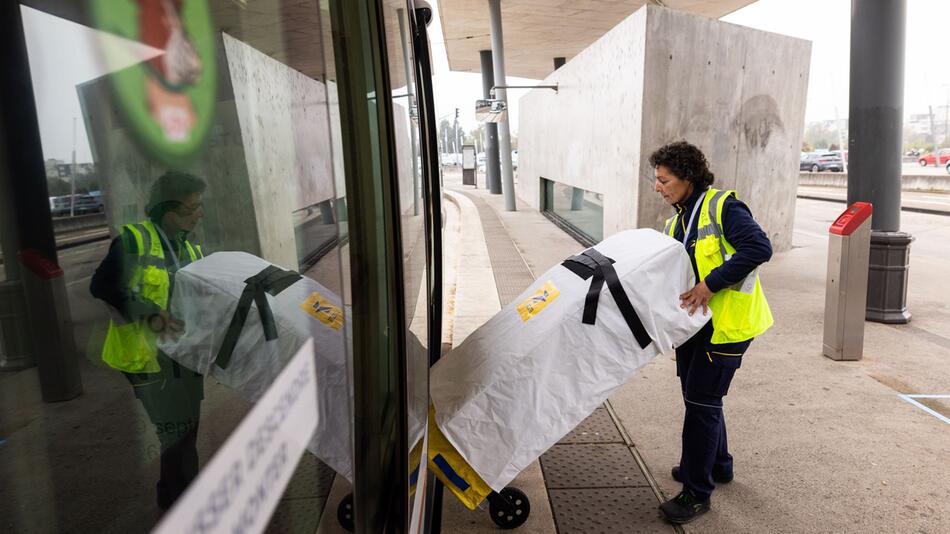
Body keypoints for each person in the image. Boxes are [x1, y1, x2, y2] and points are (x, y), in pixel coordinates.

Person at [651, 141, 774, 524]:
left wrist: (709, 285)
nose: (658, 187)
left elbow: (758, 247)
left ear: (687, 178)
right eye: (656, 180)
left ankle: (695, 491)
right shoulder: (677, 220)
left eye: (664, 180)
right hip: (695, 327)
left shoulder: (723, 206)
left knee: (701, 405)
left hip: (726, 327)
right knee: (700, 399)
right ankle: (718, 465)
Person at [90, 171, 207, 510]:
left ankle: (170, 497)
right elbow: (102, 285)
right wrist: (151, 314)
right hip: (147, 358)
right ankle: (186, 507)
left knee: (184, 432)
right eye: (191, 207)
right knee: (178, 433)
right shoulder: (133, 241)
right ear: (166, 209)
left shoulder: (189, 245)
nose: (199, 213)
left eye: (200, 206)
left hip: (181, 356)